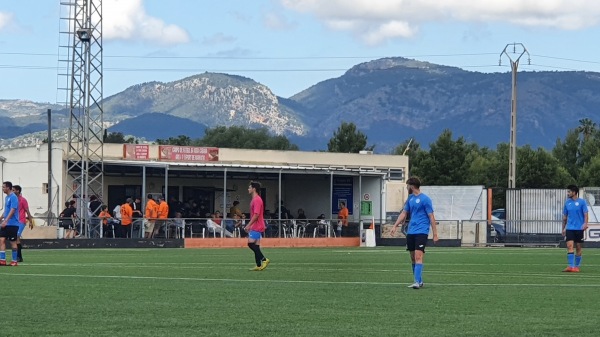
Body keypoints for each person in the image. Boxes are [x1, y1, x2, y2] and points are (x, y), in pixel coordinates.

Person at [390, 177, 438, 289]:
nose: (406, 188)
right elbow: (404, 213)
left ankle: (416, 282)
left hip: (422, 231)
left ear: (411, 186)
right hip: (411, 231)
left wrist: (435, 234)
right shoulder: (410, 199)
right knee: (412, 257)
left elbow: (431, 216)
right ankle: (420, 281)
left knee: (418, 256)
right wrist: (395, 225)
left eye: (407, 186)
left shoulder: (425, 199)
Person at [562, 184, 588, 272]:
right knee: (569, 246)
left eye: (569, 191)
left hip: (579, 228)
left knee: (578, 247)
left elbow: (585, 214)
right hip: (570, 228)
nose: (568, 193)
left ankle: (577, 267)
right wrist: (563, 228)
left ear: (574, 192)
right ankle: (571, 266)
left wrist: (585, 223)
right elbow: (565, 216)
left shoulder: (582, 202)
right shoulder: (567, 202)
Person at [245, 181, 269, 271]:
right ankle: (259, 265)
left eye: (249, 187)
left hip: (257, 225)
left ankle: (264, 259)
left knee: (250, 244)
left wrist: (248, 225)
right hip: (256, 225)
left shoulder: (257, 200)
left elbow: (256, 214)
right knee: (256, 245)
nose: (248, 189)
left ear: (254, 189)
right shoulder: (255, 199)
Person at [0, 181, 20, 266]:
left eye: (3, 187)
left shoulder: (13, 197)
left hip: (12, 224)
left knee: (13, 242)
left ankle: (14, 261)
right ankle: (2, 260)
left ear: (8, 188)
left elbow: (13, 210)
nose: (2, 188)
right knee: (1, 240)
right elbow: (7, 210)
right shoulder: (6, 197)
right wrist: (1, 218)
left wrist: (6, 220)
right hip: (6, 224)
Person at [13, 185, 34, 262]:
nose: (12, 191)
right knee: (14, 238)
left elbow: (27, 211)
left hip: (21, 221)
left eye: (13, 190)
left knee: (17, 237)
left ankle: (19, 257)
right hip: (14, 222)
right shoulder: (13, 199)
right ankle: (16, 256)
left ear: (18, 191)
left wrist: (31, 222)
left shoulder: (23, 200)